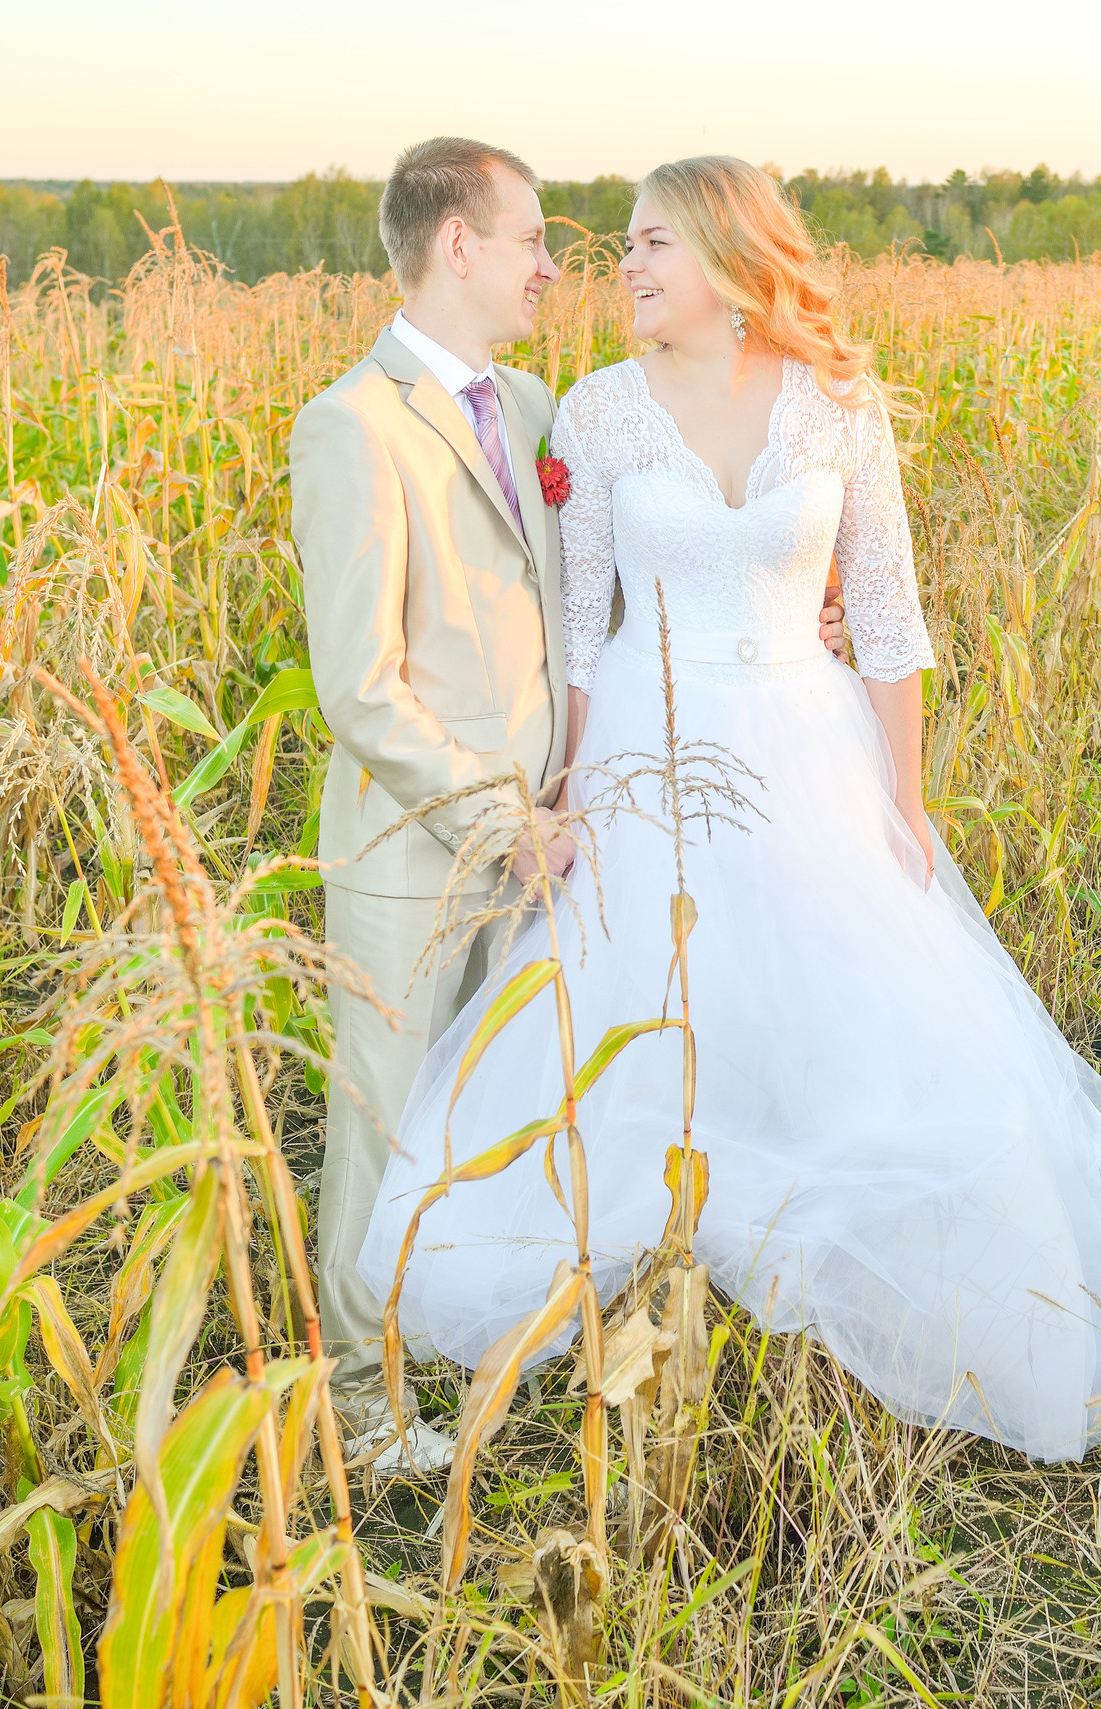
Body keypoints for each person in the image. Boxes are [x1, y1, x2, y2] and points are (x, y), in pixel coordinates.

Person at [357, 157, 1101, 1463]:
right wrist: (573, 784)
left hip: (807, 741)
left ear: (724, 251)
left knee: (851, 1007)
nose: (625, 268)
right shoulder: (595, 415)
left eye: (650, 243)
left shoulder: (839, 404)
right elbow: (586, 632)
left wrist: (907, 799)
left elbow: (884, 614)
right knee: (643, 1012)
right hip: (649, 752)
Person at [291, 136, 851, 1477]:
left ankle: (447, 1336)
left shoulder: (544, 405)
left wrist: (783, 583)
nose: (559, 265)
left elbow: (593, 586)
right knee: (380, 1128)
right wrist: (502, 815)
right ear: (457, 247)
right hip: (422, 848)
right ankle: (362, 1427)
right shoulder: (351, 427)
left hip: (554, 828)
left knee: (485, 1107)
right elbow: (359, 690)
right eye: (535, 239)